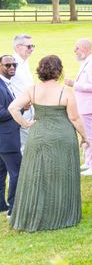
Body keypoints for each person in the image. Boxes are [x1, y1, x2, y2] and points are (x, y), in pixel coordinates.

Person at [8, 55, 88, 231]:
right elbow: (74, 118)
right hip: (62, 136)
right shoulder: (65, 91)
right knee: (62, 173)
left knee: (36, 174)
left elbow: (13, 108)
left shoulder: (32, 89)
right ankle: (61, 214)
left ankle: (34, 214)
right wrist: (86, 137)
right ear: (59, 71)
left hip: (37, 135)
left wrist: (25, 124)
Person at [64, 39, 92, 176]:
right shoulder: (86, 62)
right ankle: (89, 162)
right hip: (83, 104)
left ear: (85, 48)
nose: (75, 51)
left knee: (89, 135)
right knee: (85, 133)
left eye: (77, 48)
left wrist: (74, 84)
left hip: (89, 105)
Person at [0, 55, 20, 218]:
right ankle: (13, 208)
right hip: (6, 139)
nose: (12, 67)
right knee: (17, 172)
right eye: (8, 65)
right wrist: (18, 109)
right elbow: (1, 113)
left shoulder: (6, 83)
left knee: (1, 172)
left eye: (14, 64)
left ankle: (1, 205)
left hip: (5, 137)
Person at [12, 34, 34, 152]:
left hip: (29, 108)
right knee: (22, 145)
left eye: (33, 46)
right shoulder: (10, 64)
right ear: (18, 47)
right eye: (29, 46)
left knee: (29, 143)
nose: (32, 49)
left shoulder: (25, 62)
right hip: (18, 109)